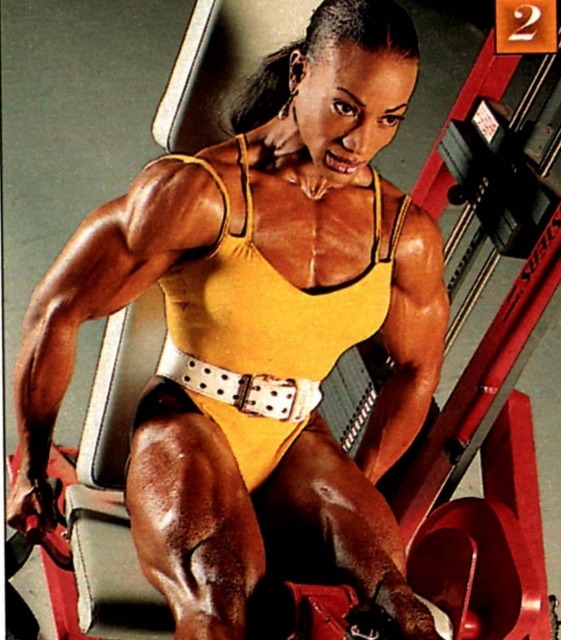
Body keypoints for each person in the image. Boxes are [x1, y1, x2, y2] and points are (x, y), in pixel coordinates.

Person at [7, 0, 449, 638]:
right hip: (189, 422)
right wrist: (29, 467)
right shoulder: (198, 193)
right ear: (298, 73)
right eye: (345, 107)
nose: (360, 141)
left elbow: (417, 369)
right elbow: (57, 309)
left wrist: (359, 481)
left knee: (407, 614)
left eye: (389, 119)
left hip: (297, 440)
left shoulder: (403, 235)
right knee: (218, 601)